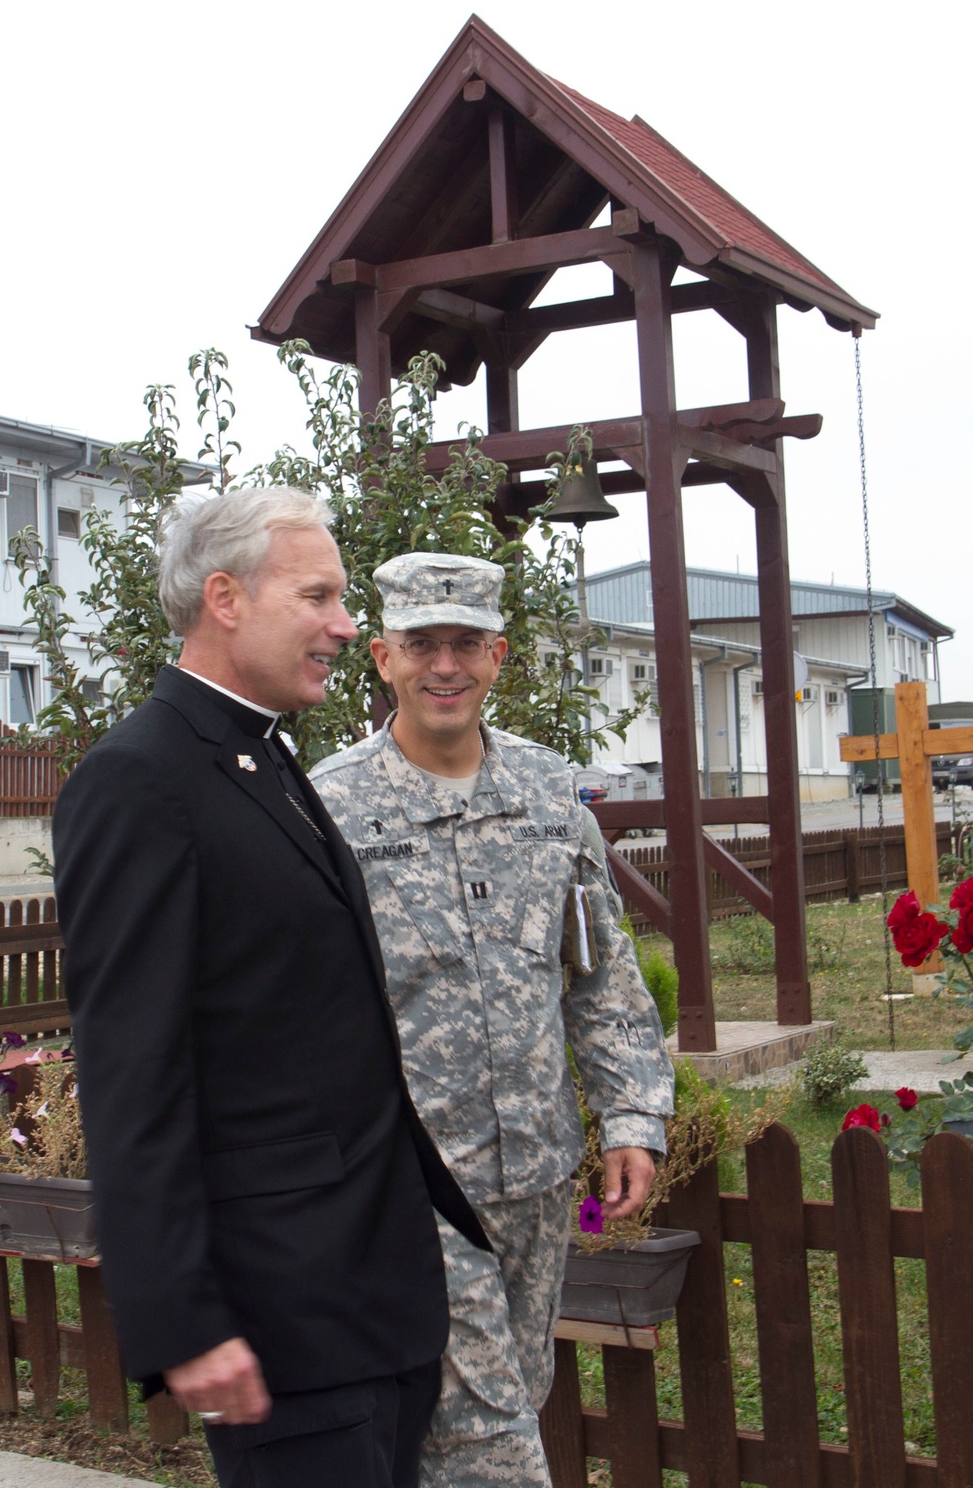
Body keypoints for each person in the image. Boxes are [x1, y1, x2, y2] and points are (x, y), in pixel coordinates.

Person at [53, 493, 487, 1488]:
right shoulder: (142, 780)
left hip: (369, 1297)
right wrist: (183, 1320)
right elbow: (133, 1075)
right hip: (279, 1315)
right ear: (225, 599)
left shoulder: (262, 754)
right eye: (320, 596)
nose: (345, 625)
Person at [311, 551, 674, 1488]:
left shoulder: (555, 799)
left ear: (499, 654)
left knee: (510, 1391)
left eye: (465, 644)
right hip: (412, 1184)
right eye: (422, 644)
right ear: (383, 658)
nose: (445, 666)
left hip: (537, 1176)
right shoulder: (330, 809)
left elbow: (601, 977)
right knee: (488, 1437)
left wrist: (633, 1117)